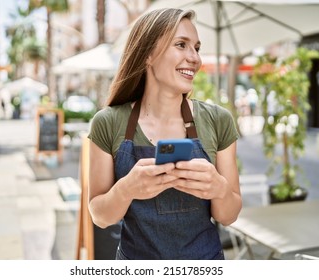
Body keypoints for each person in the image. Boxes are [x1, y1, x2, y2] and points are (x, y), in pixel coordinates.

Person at [88, 8, 241, 260]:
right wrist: (126, 189)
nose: (195, 58)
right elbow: (100, 216)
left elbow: (230, 214)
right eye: (181, 44)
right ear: (148, 54)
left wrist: (219, 189)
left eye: (197, 48)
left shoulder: (218, 120)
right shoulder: (108, 122)